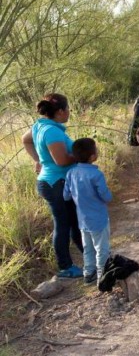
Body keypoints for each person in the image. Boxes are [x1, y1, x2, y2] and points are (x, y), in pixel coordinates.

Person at [22, 93, 84, 278]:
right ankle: (65, 267)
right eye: (68, 109)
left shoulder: (40, 125)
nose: (69, 112)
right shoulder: (52, 132)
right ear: (60, 111)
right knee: (64, 224)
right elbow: (62, 160)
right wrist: (83, 155)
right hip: (55, 184)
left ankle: (93, 257)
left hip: (55, 182)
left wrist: (38, 160)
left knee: (73, 222)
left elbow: (25, 140)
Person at [63, 138, 112, 286]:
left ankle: (88, 274)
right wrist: (109, 195)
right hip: (99, 219)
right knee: (102, 249)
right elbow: (106, 196)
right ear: (92, 157)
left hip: (82, 220)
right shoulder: (96, 175)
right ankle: (102, 277)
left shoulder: (71, 173)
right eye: (95, 150)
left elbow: (66, 196)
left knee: (88, 248)